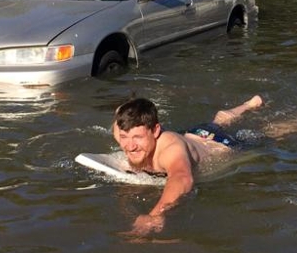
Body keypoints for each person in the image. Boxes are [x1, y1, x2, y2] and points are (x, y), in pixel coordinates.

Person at [112, 95, 265, 235]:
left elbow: (182, 178)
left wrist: (155, 215)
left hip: (217, 143)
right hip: (191, 134)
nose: (130, 146)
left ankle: (284, 122)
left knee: (269, 134)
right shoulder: (123, 132)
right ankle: (248, 104)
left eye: (137, 137)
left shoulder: (171, 150)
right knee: (217, 121)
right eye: (125, 137)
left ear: (156, 131)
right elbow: (120, 122)